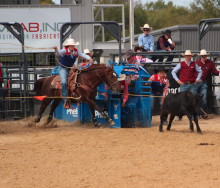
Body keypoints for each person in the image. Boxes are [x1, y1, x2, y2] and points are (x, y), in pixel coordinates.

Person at [53, 38, 93, 109]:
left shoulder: (76, 51)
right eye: (71, 45)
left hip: (71, 68)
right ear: (68, 46)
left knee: (80, 78)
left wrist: (89, 59)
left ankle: (78, 94)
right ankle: (65, 98)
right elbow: (58, 53)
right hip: (63, 69)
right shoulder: (65, 50)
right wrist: (56, 49)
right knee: (64, 82)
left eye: (73, 45)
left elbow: (83, 55)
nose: (72, 47)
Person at [172, 50, 202, 121]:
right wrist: (178, 80)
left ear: (191, 56)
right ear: (185, 56)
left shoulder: (194, 64)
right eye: (187, 55)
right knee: (182, 100)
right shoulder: (181, 64)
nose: (188, 57)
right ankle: (179, 115)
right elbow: (173, 71)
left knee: (193, 100)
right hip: (184, 84)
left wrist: (197, 79)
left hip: (191, 84)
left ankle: (192, 115)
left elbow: (200, 71)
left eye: (189, 55)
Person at [195, 49, 220, 119]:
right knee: (196, 98)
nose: (204, 57)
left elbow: (214, 71)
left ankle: (203, 113)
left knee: (204, 98)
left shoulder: (210, 63)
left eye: (205, 56)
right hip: (196, 82)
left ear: (206, 56)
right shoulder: (196, 63)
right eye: (202, 56)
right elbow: (192, 71)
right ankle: (197, 114)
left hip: (204, 82)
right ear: (200, 56)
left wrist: (219, 72)